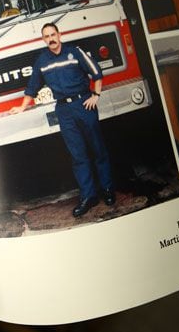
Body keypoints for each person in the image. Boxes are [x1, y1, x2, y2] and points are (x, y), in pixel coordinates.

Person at [10, 22, 115, 217]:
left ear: (59, 34)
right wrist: (22, 107)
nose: (51, 38)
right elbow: (32, 87)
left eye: (53, 34)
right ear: (44, 40)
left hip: (84, 104)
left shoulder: (74, 52)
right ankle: (89, 196)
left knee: (98, 149)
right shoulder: (42, 61)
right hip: (64, 111)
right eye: (47, 36)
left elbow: (96, 72)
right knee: (78, 156)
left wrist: (96, 95)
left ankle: (108, 190)